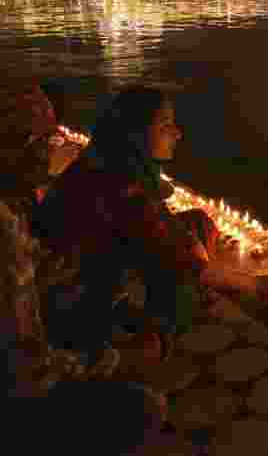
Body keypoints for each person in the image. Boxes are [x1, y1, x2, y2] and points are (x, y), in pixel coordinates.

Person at [1, 84, 167, 453]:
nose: (49, 159)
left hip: (43, 326)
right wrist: (116, 360)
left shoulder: (16, 206)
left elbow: (36, 271)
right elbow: (28, 371)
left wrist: (50, 276)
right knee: (145, 409)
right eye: (42, 146)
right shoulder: (4, 229)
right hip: (13, 407)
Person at [39, 87, 240, 363]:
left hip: (87, 275)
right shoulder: (124, 187)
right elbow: (182, 254)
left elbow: (162, 227)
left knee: (197, 222)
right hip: (74, 306)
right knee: (185, 265)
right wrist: (255, 286)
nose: (177, 133)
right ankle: (165, 330)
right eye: (165, 125)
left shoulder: (103, 161)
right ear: (134, 134)